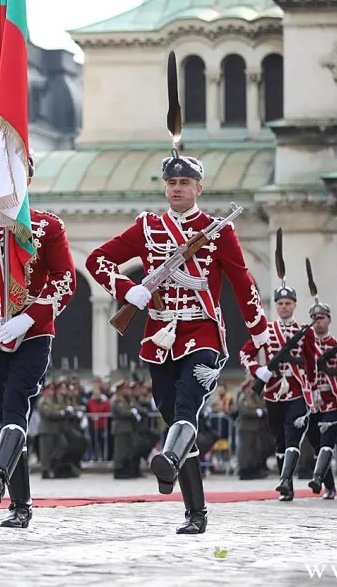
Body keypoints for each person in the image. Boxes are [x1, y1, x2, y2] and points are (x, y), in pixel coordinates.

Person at [86, 149, 269, 535]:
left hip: (203, 334)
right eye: (171, 182)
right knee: (173, 416)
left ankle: (169, 459)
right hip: (159, 336)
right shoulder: (147, 227)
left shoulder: (219, 230)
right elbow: (97, 260)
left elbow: (242, 281)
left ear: (198, 188)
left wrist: (259, 330)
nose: (176, 188)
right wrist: (128, 289)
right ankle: (194, 508)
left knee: (187, 406)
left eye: (184, 182)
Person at [0, 153, 77, 528]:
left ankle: (4, 480)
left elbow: (65, 280)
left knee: (16, 404)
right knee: (1, 411)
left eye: (17, 172)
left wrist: (30, 317)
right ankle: (20, 500)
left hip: (32, 334)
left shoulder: (46, 226)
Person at [302, 301, 337, 499]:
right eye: (314, 319)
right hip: (314, 402)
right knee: (316, 443)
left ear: (329, 320)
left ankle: (317, 478)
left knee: (328, 440)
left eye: (321, 318)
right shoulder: (307, 344)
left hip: (334, 399)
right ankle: (329, 486)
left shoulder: (336, 345)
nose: (317, 323)